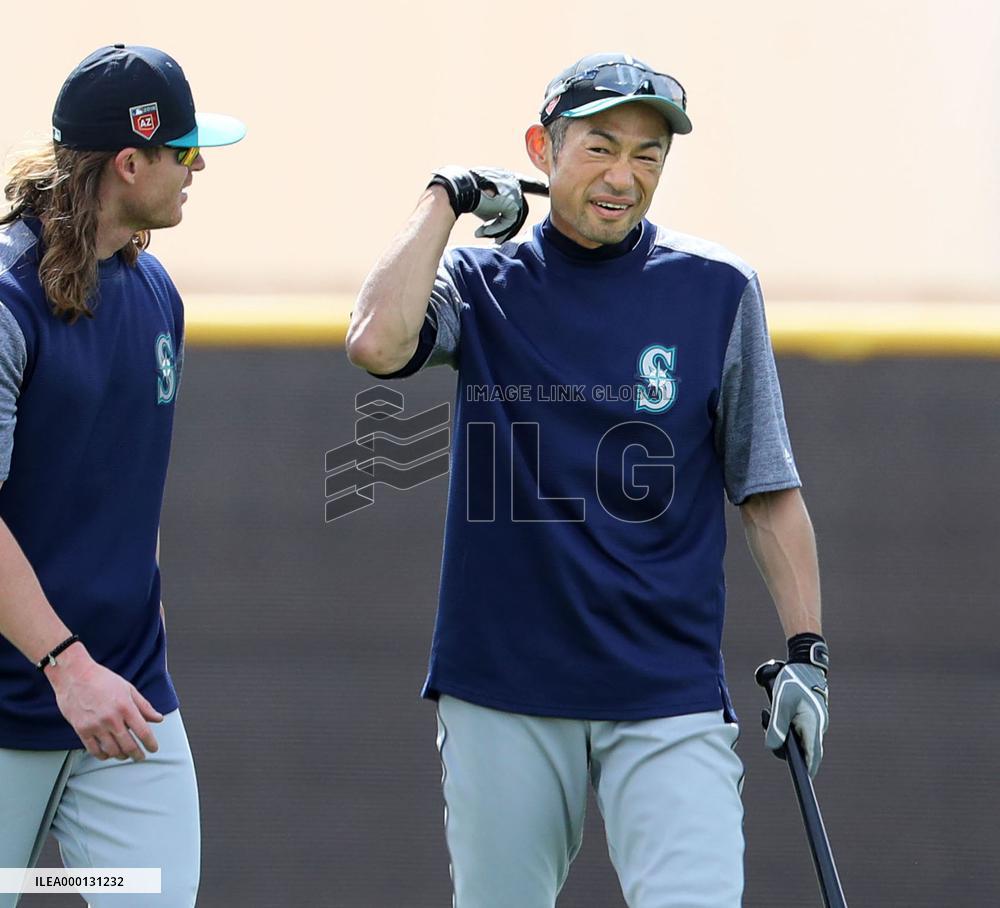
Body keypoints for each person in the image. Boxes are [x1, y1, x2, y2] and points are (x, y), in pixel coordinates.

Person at [346, 51, 830, 908]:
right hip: (503, 688)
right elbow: (378, 342)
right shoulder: (480, 283)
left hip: (666, 690)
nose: (624, 177)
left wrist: (807, 657)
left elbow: (767, 489)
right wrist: (443, 197)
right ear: (542, 149)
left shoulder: (718, 288)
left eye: (648, 156)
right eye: (600, 148)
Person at [0, 45, 245, 907]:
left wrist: (124, 644)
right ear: (129, 163)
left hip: (126, 706)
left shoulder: (157, 294)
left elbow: (107, 486)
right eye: (183, 152)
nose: (199, 168)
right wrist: (67, 666)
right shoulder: (5, 300)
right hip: (21, 703)